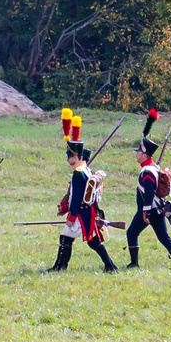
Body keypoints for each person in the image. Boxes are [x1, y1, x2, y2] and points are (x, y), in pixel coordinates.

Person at [48, 109, 115, 272]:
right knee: (74, 239)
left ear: (76, 156)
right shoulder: (86, 170)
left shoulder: (79, 173)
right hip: (86, 211)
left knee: (78, 239)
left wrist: (71, 216)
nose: (67, 158)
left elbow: (77, 197)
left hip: (80, 212)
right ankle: (61, 266)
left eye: (69, 155)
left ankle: (60, 267)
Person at [125, 110, 171, 269]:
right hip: (157, 208)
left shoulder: (148, 171)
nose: (137, 154)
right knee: (163, 237)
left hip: (150, 209)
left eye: (139, 152)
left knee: (131, 233)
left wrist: (146, 212)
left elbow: (149, 193)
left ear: (144, 155)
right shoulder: (153, 168)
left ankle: (134, 263)